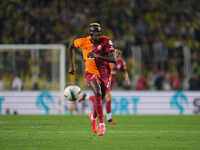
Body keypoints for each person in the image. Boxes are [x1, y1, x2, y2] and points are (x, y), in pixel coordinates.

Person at [68, 23, 116, 136]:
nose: (97, 36)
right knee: (98, 93)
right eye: (95, 34)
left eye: (98, 34)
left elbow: (113, 59)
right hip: (90, 72)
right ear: (90, 34)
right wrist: (72, 65)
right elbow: (71, 46)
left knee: (101, 98)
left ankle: (93, 116)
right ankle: (102, 125)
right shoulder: (83, 41)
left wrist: (97, 56)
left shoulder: (106, 41)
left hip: (104, 73)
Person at [105, 48, 130, 124]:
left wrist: (126, 78)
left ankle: (94, 115)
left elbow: (125, 71)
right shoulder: (108, 59)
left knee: (103, 100)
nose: (117, 53)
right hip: (105, 81)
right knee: (108, 98)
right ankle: (109, 120)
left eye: (118, 52)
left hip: (111, 83)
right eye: (115, 51)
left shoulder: (121, 62)